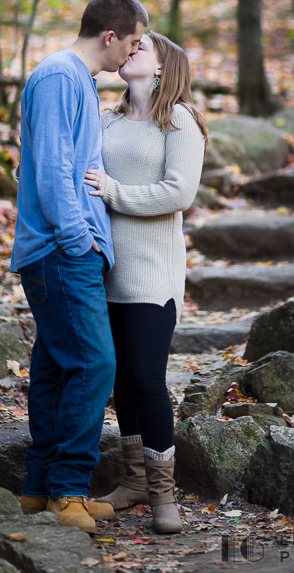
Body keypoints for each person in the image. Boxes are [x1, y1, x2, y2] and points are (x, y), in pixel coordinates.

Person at [11, 0, 148, 534]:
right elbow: (48, 170)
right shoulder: (60, 77)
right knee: (96, 364)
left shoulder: (77, 82)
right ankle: (68, 489)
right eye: (133, 41)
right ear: (109, 36)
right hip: (59, 251)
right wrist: (78, 240)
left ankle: (41, 491)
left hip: (65, 250)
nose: (133, 54)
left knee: (55, 365)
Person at [84, 31, 208, 534]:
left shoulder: (178, 119)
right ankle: (135, 480)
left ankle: (163, 493)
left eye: (143, 46)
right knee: (121, 381)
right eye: (129, 44)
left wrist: (112, 191)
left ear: (162, 67)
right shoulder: (106, 119)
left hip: (153, 274)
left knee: (148, 378)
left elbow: (179, 192)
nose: (131, 48)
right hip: (105, 270)